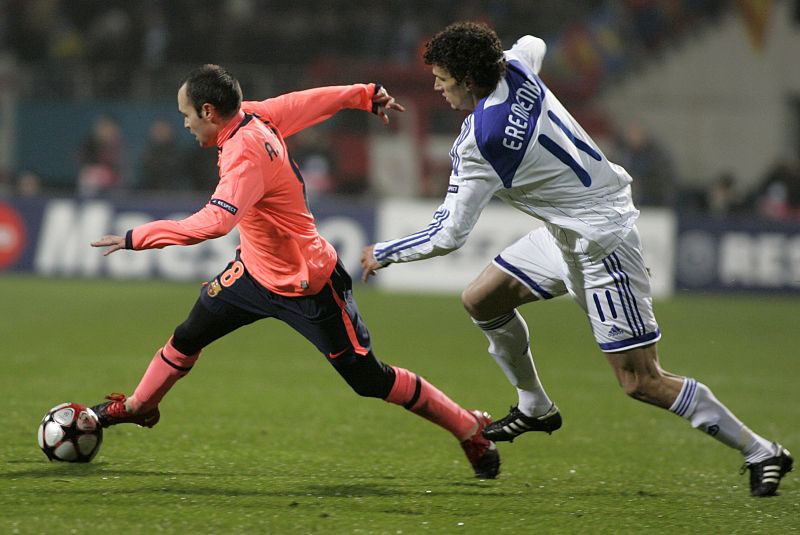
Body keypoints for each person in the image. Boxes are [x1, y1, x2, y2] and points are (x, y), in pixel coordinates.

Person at [360, 22, 792, 496]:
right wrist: (496, 57)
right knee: (482, 299)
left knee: (641, 381)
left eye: (443, 79)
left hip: (602, 246)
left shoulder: (481, 139)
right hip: (568, 231)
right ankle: (535, 406)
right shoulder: (517, 68)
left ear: (467, 79)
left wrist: (385, 252)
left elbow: (449, 234)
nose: (438, 89)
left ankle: (760, 450)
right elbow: (534, 43)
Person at [90, 64, 499, 480]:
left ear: (209, 111)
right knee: (188, 335)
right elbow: (306, 103)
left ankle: (469, 427)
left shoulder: (244, 153)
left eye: (186, 115)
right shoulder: (253, 114)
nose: (186, 124)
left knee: (368, 379)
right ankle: (140, 407)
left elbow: (213, 223)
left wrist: (136, 237)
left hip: (308, 284)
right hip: (252, 274)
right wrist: (362, 94)